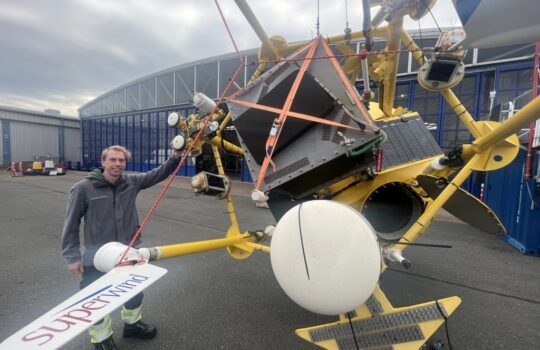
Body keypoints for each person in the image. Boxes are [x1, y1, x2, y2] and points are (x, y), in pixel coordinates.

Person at [61, 144, 181, 350]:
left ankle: (132, 325)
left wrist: (176, 156)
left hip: (130, 251)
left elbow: (158, 174)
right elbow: (71, 223)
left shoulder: (131, 183)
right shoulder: (83, 188)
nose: (117, 164)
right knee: (95, 298)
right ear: (103, 162)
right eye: (113, 160)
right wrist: (72, 256)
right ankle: (101, 338)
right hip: (97, 255)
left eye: (121, 160)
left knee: (135, 290)